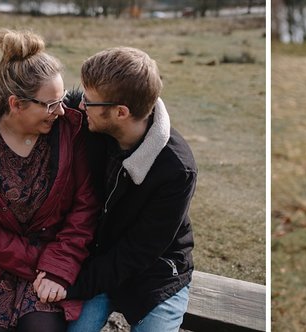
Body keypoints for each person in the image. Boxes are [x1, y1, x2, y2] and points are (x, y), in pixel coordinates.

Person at [0, 29, 98, 332]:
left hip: (54, 253)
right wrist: (35, 260)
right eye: (50, 104)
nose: (60, 111)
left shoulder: (69, 130)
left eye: (61, 100)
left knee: (42, 328)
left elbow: (85, 207)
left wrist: (57, 265)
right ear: (16, 104)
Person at [60, 46, 197, 332]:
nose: (81, 105)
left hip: (157, 271)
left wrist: (71, 285)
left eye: (89, 101)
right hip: (98, 261)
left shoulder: (176, 169)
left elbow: (140, 251)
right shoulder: (93, 123)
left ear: (121, 112)